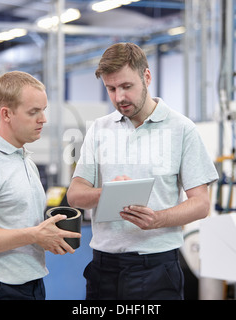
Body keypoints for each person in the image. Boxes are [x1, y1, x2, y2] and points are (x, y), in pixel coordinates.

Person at [66, 43, 218, 300]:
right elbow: (75, 196)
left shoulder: (182, 130)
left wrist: (157, 219)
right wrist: (108, 193)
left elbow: (201, 204)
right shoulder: (99, 129)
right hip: (104, 268)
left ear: (147, 77)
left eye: (126, 86)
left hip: (157, 268)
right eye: (111, 89)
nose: (119, 98)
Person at [0, 71, 80, 300]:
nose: (43, 119)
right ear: (6, 114)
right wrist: (34, 235)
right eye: (33, 112)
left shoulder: (23, 159)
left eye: (43, 110)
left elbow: (17, 223)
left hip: (30, 285)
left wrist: (46, 235)